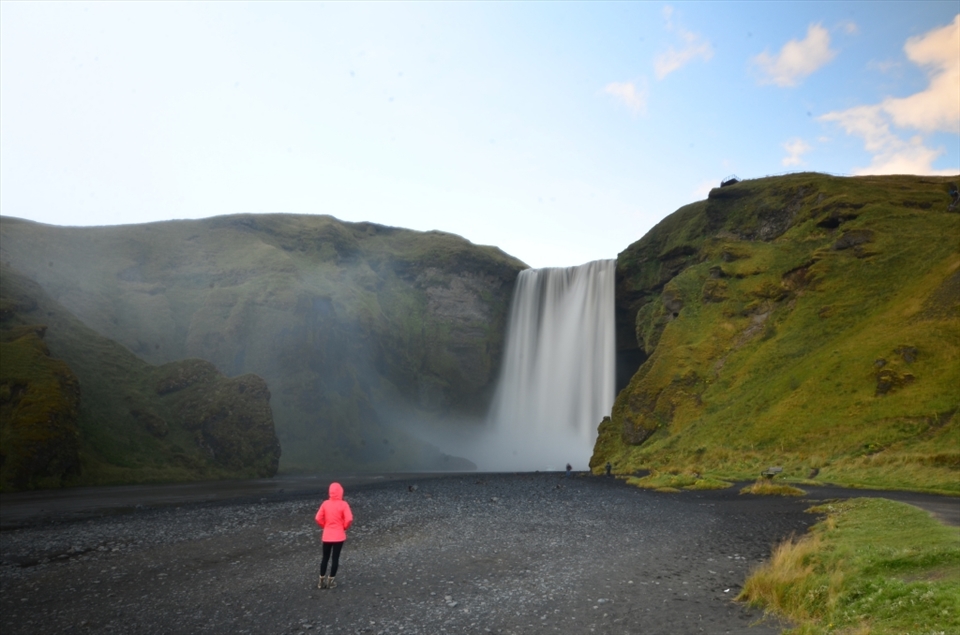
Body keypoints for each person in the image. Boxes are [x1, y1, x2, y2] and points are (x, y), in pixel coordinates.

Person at [315, 482, 353, 589]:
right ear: (341, 492)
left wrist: (324, 526)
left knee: (325, 558)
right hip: (338, 535)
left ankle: (321, 581)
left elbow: (318, 518)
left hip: (327, 535)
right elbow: (349, 518)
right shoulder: (343, 504)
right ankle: (331, 580)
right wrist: (344, 527)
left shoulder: (325, 504)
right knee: (335, 558)